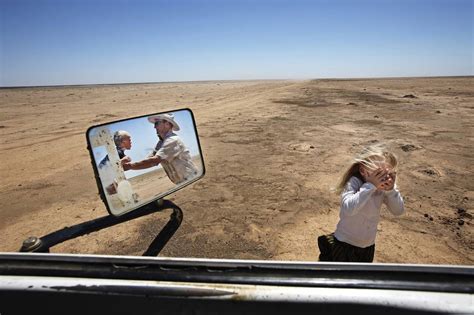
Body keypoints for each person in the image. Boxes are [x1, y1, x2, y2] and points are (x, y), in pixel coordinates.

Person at [317, 145, 405, 262]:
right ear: (363, 171)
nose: (383, 178)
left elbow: (398, 211)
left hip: (367, 246)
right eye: (378, 173)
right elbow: (349, 209)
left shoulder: (384, 188)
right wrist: (370, 186)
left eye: (387, 173)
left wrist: (391, 191)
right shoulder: (354, 183)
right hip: (345, 244)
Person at [122, 113, 198, 184]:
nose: (154, 127)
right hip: (184, 182)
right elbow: (150, 158)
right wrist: (127, 163)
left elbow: (154, 161)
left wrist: (130, 166)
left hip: (191, 179)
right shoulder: (162, 142)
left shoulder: (172, 140)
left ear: (167, 124)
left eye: (157, 123)